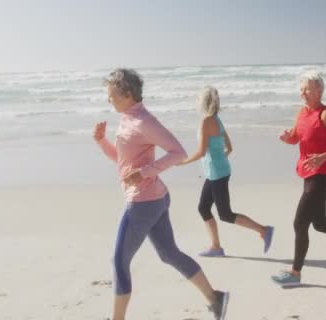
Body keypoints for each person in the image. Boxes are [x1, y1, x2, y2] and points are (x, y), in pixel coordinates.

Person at [93, 69, 228, 320]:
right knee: (169, 254)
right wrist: (102, 142)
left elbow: (177, 152)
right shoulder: (127, 118)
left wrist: (144, 172)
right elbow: (124, 164)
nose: (108, 100)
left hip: (143, 202)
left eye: (111, 95)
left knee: (118, 261)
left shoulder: (144, 121)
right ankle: (216, 298)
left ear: (128, 94)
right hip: (154, 198)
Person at [272, 71, 326, 287]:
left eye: (308, 88)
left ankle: (295, 273)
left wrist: (323, 156)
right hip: (307, 174)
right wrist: (287, 139)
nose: (303, 92)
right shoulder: (302, 113)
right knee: (320, 223)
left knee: (299, 223)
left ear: (319, 91)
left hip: (322, 177)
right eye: (301, 88)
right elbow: (296, 138)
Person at [179, 86, 274, 257]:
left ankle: (264, 230)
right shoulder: (216, 120)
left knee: (225, 214)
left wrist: (183, 162)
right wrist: (219, 159)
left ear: (204, 102)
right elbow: (229, 147)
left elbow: (201, 152)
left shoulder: (206, 121)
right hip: (217, 172)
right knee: (203, 208)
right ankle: (216, 247)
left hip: (216, 174)